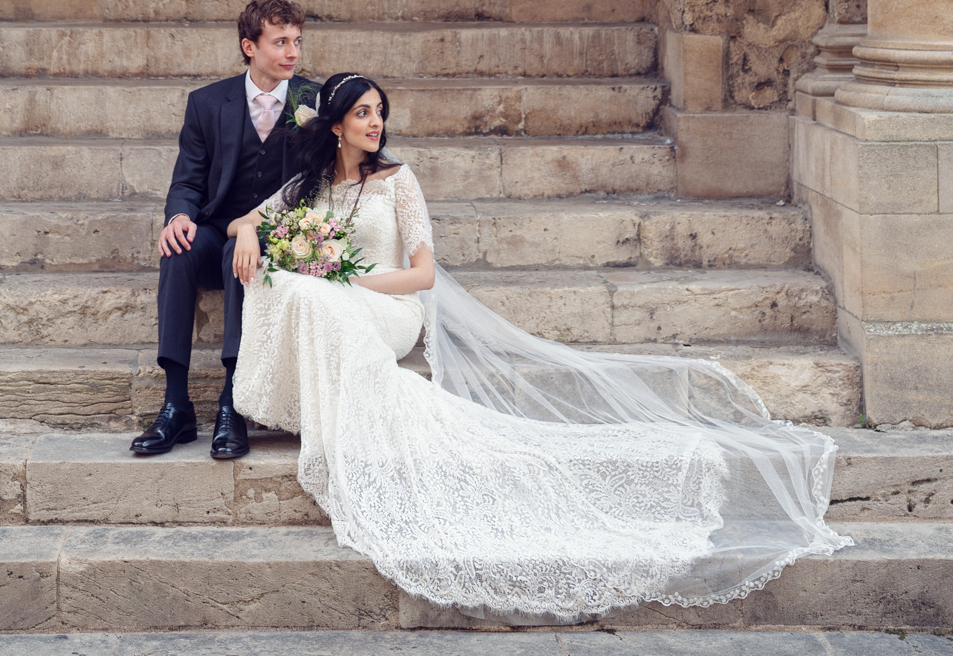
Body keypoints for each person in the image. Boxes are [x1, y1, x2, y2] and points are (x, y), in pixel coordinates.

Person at [226, 72, 851, 623]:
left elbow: (421, 275)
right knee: (292, 285)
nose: (375, 122)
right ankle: (328, 408)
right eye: (362, 113)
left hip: (388, 307)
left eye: (379, 111)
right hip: (341, 304)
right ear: (335, 125)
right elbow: (244, 218)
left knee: (314, 293)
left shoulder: (398, 180)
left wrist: (348, 279)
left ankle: (336, 414)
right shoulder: (309, 184)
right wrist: (250, 234)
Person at [130, 0, 319, 462]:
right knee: (178, 250)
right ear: (249, 46)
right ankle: (176, 404)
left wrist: (259, 230)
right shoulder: (208, 103)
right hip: (216, 224)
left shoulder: (313, 101)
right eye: (280, 42)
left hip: (280, 233)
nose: (292, 52)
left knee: (242, 255)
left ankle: (232, 405)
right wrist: (178, 218)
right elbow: (188, 179)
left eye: (296, 41)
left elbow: (321, 182)